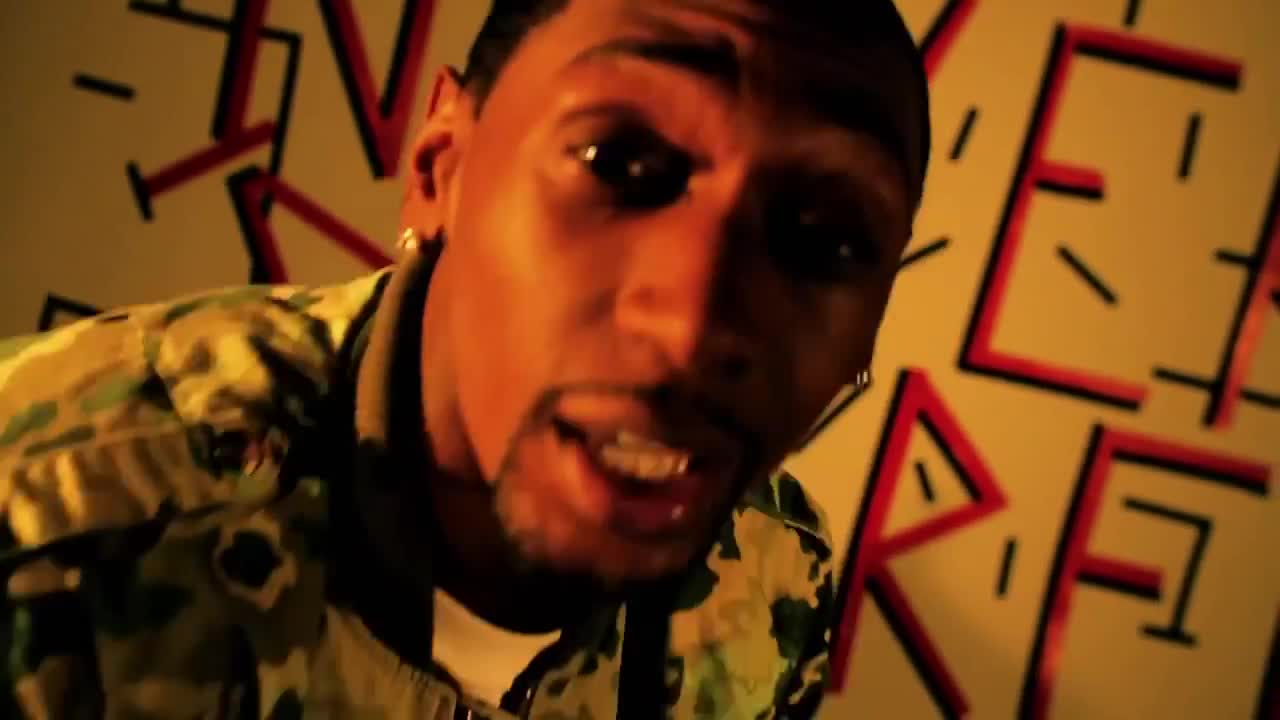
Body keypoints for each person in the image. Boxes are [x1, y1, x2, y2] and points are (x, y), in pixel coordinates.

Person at [0, 0, 929, 716]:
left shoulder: (778, 578)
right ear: (439, 164)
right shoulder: (50, 541)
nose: (690, 328)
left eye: (831, 238)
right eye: (616, 162)